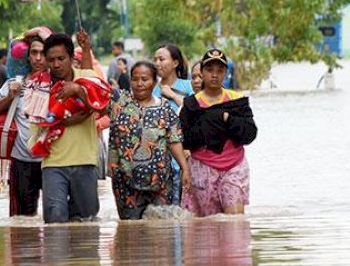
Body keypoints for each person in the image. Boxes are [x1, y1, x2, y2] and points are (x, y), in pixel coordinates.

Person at [34, 30, 107, 223]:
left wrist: (77, 90)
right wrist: (60, 117)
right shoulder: (38, 86)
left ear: (71, 57)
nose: (56, 64)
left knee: (87, 223)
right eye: (51, 60)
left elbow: (104, 106)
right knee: (54, 223)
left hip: (85, 161)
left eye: (61, 58)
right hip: (52, 163)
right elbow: (34, 125)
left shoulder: (87, 77)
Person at [106, 61, 190, 220]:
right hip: (125, 181)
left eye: (144, 79)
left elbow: (174, 140)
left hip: (160, 181)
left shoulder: (165, 108)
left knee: (160, 230)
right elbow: (93, 90)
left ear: (155, 81)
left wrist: (184, 168)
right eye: (135, 79)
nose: (139, 84)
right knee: (130, 232)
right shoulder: (119, 101)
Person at [179, 49, 257, 217]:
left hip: (234, 166)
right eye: (209, 70)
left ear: (225, 73)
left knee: (234, 222)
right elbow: (185, 140)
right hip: (202, 168)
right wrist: (211, 121)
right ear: (202, 72)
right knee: (208, 225)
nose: (214, 75)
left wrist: (227, 118)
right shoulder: (191, 105)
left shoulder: (237, 100)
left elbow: (249, 134)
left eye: (219, 71)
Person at [0, 36, 48, 216]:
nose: (38, 58)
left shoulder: (59, 85)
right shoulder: (16, 84)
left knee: (56, 218)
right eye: (33, 53)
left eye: (43, 53)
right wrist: (9, 97)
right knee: (22, 222)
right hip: (21, 163)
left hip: (51, 162)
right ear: (27, 57)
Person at [152, 44, 193, 111]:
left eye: (161, 59)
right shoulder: (152, 88)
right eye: (155, 60)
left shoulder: (189, 86)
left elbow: (194, 113)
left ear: (175, 63)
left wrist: (174, 96)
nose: (157, 63)